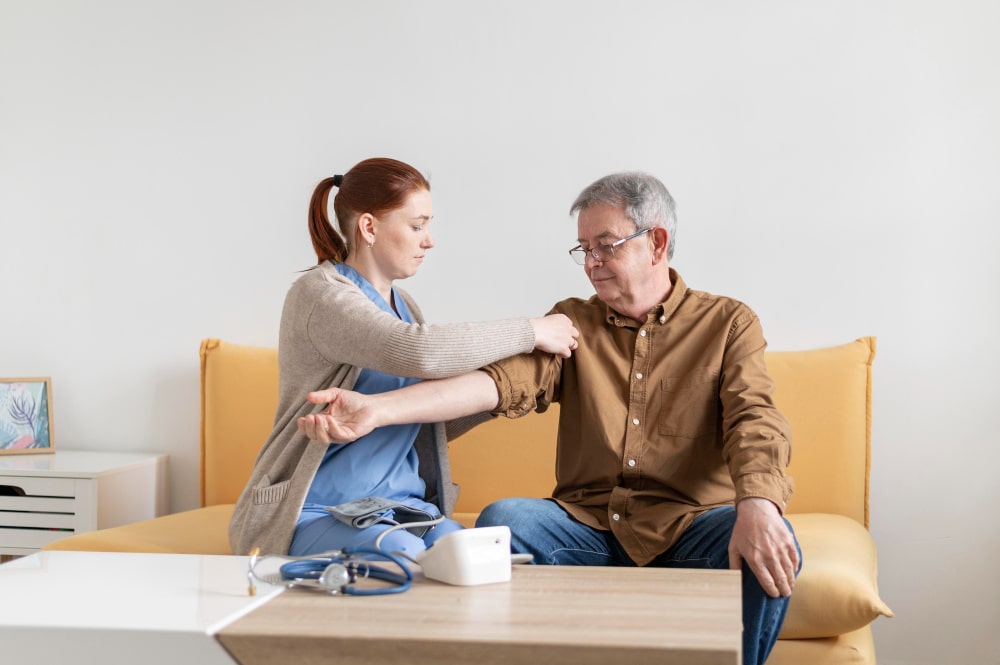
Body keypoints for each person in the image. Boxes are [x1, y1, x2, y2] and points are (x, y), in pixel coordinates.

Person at [297, 171, 800, 665]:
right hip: (591, 528)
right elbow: (499, 384)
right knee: (506, 522)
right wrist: (380, 410)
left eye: (606, 245)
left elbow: (753, 418)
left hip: (689, 525)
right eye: (584, 249)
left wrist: (758, 502)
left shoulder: (728, 323)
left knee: (771, 534)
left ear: (657, 242)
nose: (592, 263)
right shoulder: (573, 321)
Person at [228, 157, 579, 560]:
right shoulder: (320, 295)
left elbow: (418, 422)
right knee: (405, 557)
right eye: (417, 225)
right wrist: (531, 330)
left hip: (402, 509)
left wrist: (501, 392)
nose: (429, 240)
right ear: (369, 227)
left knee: (478, 559)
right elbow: (420, 352)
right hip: (316, 509)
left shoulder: (403, 304)